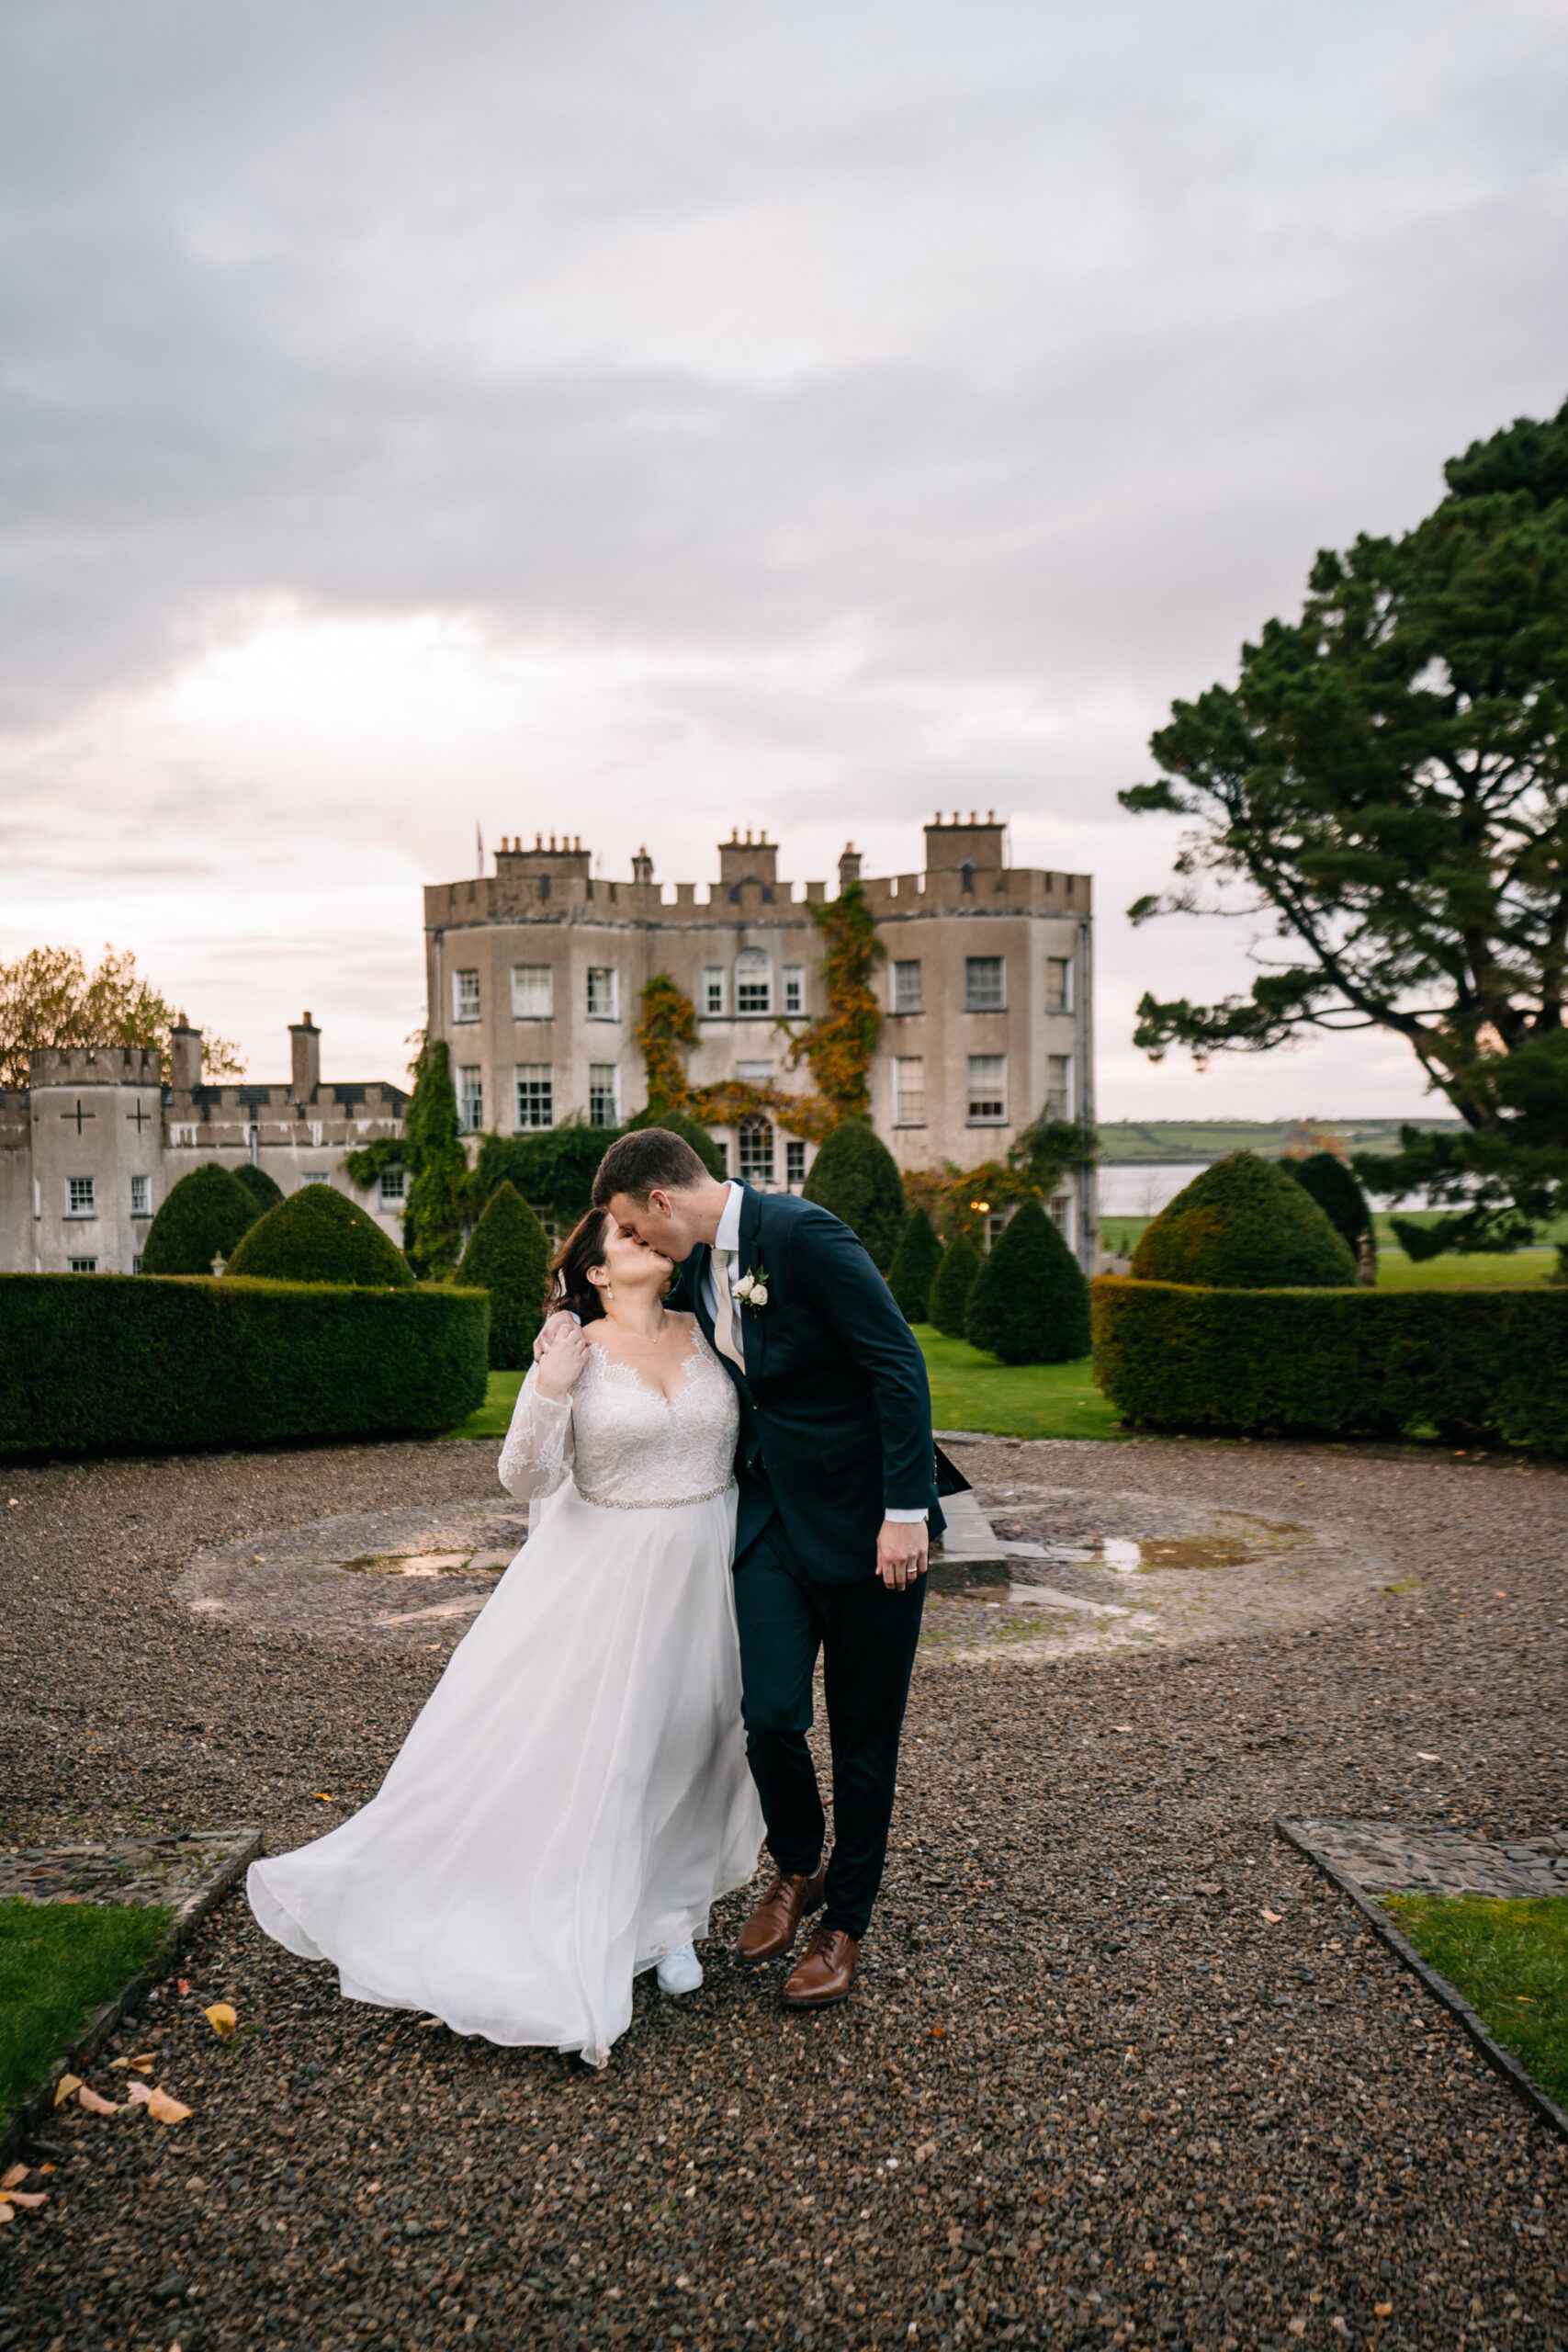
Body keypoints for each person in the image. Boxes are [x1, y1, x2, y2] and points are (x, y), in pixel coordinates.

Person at [246, 1208, 762, 2069]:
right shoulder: (572, 1347)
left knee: (699, 1742)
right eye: (624, 1234)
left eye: (649, 1230)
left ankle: (667, 1918)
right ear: (595, 1270)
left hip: (713, 1567)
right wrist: (551, 1386)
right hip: (609, 1580)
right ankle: (592, 1932)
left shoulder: (711, 1329)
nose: (644, 1237)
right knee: (616, 1754)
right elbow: (523, 1476)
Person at [536, 1126, 949, 2011]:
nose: (638, 1245)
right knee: (764, 1712)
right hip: (768, 1524)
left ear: (659, 1202)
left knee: (864, 1741)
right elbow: (633, 1321)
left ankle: (846, 1921)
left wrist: (905, 1511)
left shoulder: (805, 1236)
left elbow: (896, 1365)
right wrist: (565, 1329)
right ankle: (795, 1864)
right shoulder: (689, 1266)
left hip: (871, 1527)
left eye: (631, 1227)